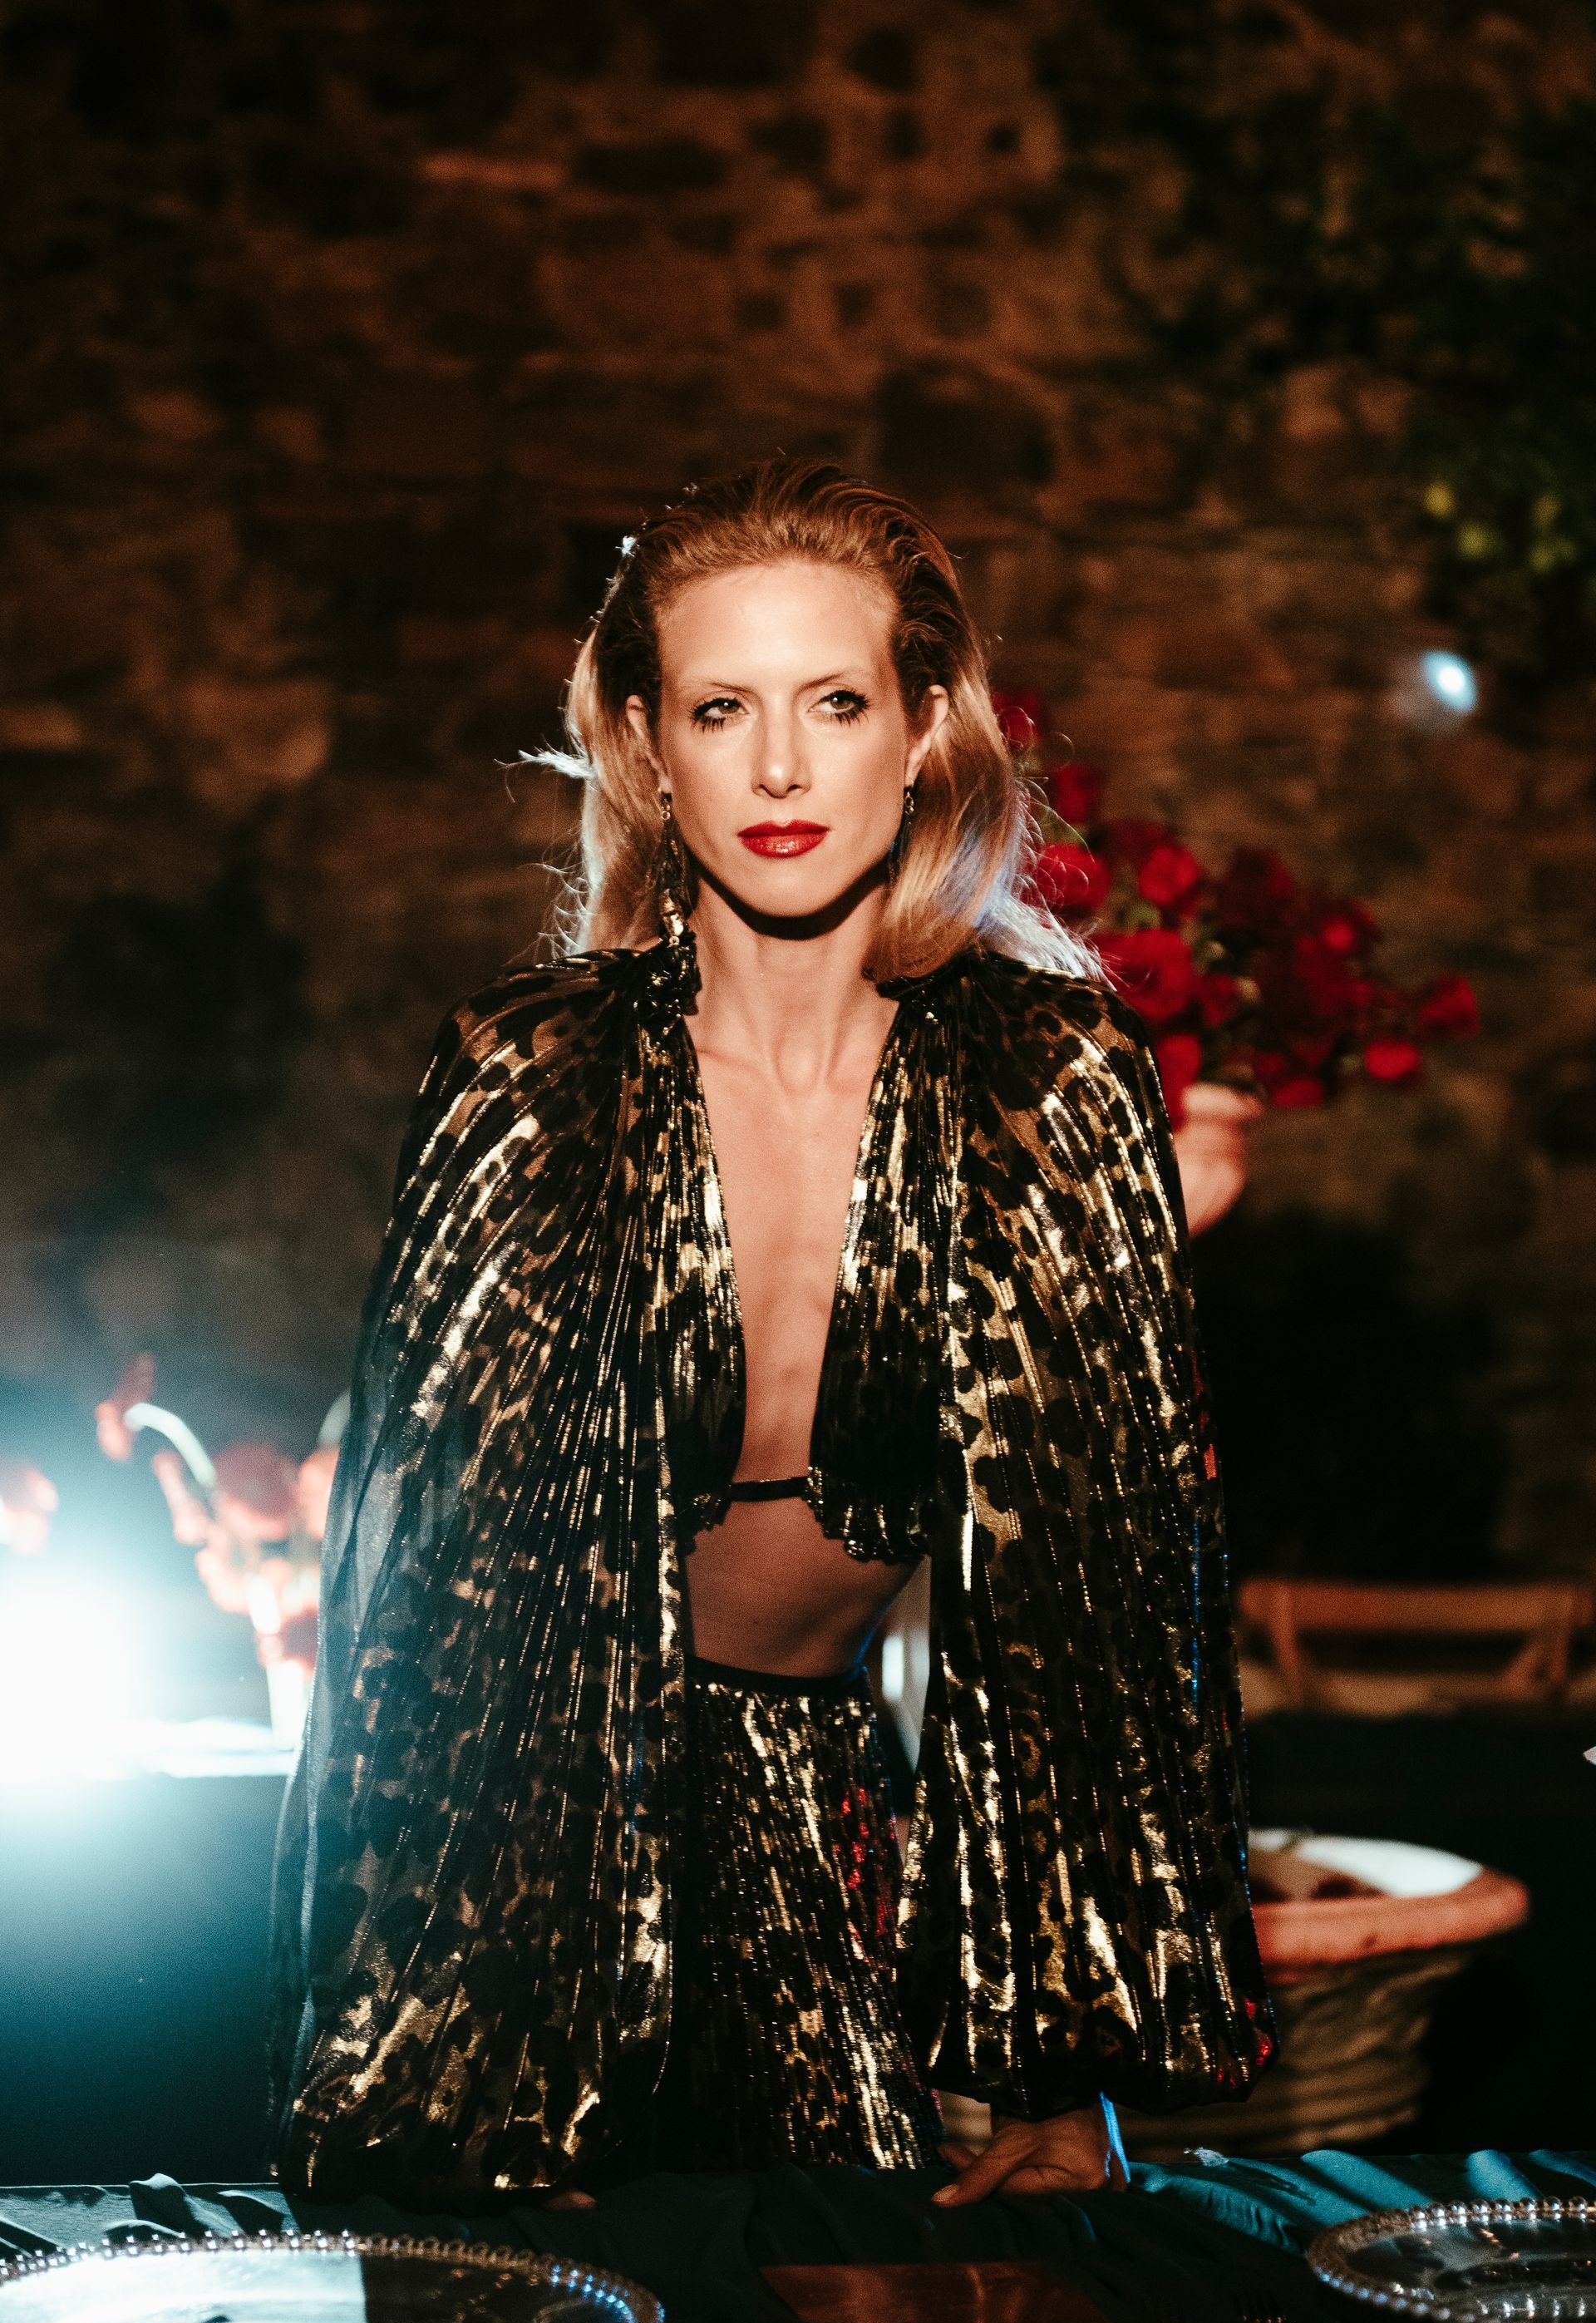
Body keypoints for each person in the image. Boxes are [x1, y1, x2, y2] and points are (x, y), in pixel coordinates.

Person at [268, 458, 1273, 2210]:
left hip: (826, 1838)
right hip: (547, 1878)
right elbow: (424, 1630)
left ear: (927, 726)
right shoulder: (536, 1078)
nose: (786, 769)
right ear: (651, 746)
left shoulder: (1053, 1090)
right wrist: (468, 2043)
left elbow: (1101, 1615)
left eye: (835, 702)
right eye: (726, 709)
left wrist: (1064, 2081)